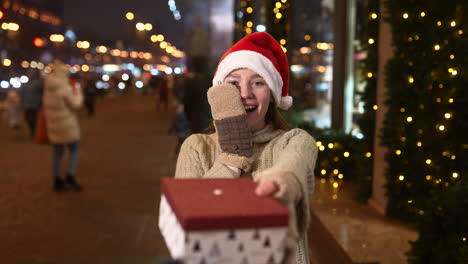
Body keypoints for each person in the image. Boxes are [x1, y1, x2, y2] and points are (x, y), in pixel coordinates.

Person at [175, 32, 318, 264]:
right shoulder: (196, 148)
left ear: (271, 95)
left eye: (258, 83)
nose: (245, 94)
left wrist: (281, 185)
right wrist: (231, 156)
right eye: (233, 83)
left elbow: (295, 165)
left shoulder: (295, 140)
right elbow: (189, 223)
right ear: (219, 93)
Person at [43, 60, 84, 192]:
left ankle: (57, 179)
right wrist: (78, 91)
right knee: (74, 149)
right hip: (67, 124)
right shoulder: (64, 89)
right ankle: (70, 176)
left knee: (57, 152)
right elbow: (76, 104)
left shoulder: (48, 89)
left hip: (53, 124)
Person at [20, 69, 43, 138]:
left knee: (34, 118)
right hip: (27, 104)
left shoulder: (38, 83)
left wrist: (40, 102)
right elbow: (22, 93)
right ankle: (31, 129)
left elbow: (41, 93)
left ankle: (33, 130)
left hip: (35, 104)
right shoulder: (26, 84)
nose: (29, 75)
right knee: (27, 118)